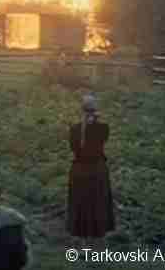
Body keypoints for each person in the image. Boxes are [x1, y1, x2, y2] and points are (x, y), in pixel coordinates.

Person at [66, 94, 115, 248]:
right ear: (96, 110)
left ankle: (81, 239)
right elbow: (101, 139)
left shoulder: (74, 129)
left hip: (79, 170)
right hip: (97, 170)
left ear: (82, 110)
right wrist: (94, 122)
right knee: (98, 203)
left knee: (80, 203)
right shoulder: (103, 128)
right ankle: (98, 239)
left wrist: (86, 126)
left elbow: (74, 148)